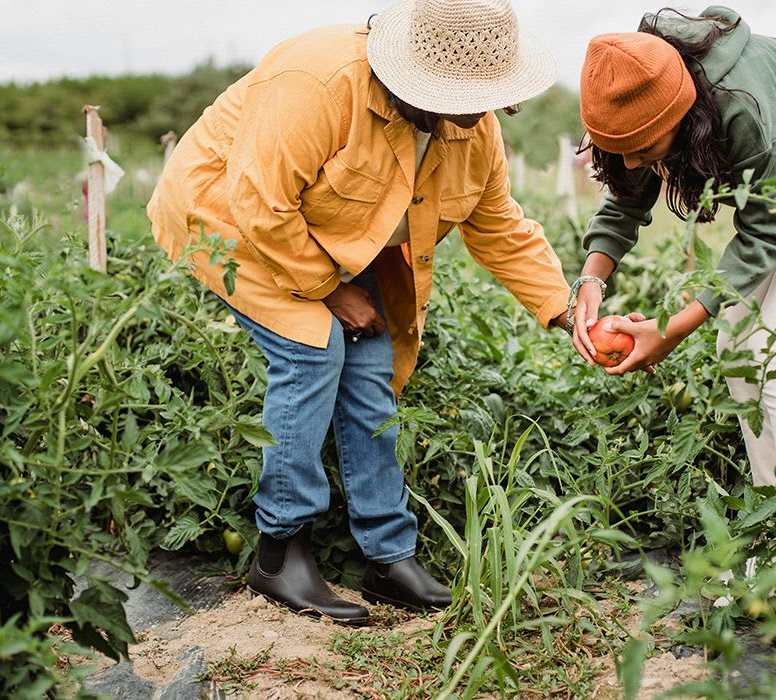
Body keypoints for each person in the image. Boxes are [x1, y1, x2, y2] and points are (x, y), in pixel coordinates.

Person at [147, 0, 571, 625]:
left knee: (371, 368)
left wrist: (564, 311)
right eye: (463, 97)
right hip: (230, 220)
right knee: (312, 348)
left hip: (334, 234)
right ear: (417, 76)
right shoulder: (319, 82)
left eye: (487, 97)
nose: (477, 114)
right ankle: (279, 551)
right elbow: (260, 204)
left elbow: (498, 225)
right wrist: (331, 289)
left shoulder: (471, 125)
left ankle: (388, 557)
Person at [569, 6, 776, 490]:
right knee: (735, 343)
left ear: (682, 117)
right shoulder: (636, 87)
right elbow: (625, 201)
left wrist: (668, 331)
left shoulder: (740, 105)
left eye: (644, 149)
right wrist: (591, 280)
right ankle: (772, 520)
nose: (631, 161)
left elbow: (765, 233)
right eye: (620, 149)